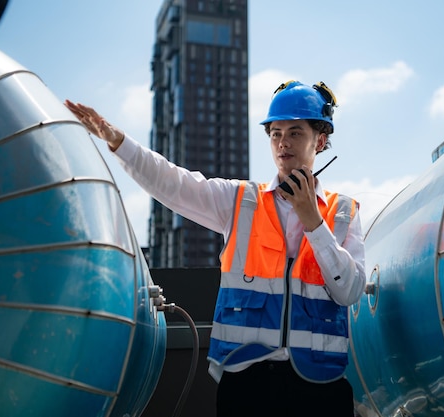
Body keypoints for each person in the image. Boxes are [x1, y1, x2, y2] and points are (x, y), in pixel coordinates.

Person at [65, 80, 365, 417]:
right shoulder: (241, 201)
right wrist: (117, 141)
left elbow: (350, 291)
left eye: (295, 132)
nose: (283, 143)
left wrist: (313, 223)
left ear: (320, 140)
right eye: (275, 133)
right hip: (247, 384)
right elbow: (173, 183)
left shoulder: (342, 213)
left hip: (320, 386)